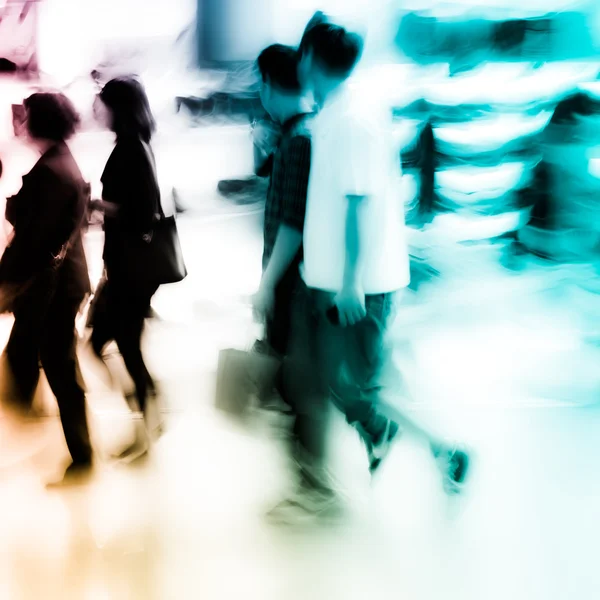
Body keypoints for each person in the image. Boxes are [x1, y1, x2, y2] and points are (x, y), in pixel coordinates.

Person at [272, 23, 469, 521]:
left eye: (301, 52)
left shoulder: (352, 118)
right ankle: (370, 448)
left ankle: (443, 449)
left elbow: (359, 203)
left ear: (311, 56)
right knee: (338, 383)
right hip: (339, 282)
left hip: (357, 288)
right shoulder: (340, 112)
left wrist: (350, 282)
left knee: (360, 388)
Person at [0, 92, 93, 481]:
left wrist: (5, 281)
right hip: (59, 283)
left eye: (25, 116)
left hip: (53, 286)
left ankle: (83, 457)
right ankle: (78, 452)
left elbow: (32, 239)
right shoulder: (59, 162)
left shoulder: (51, 171)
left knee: (58, 364)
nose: (18, 122)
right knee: (50, 361)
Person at [90, 77, 163, 458]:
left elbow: (138, 215)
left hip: (130, 270)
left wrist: (99, 207)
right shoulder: (135, 146)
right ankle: (149, 409)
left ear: (117, 108)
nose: (96, 109)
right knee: (102, 342)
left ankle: (146, 422)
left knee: (122, 346)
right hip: (127, 268)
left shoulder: (130, 150)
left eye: (101, 103)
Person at [252, 45, 313, 373]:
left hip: (291, 279)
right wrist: (259, 140)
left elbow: (293, 223)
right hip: (285, 273)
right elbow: (262, 170)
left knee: (286, 369)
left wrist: (267, 284)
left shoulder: (300, 139)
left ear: (268, 84)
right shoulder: (290, 133)